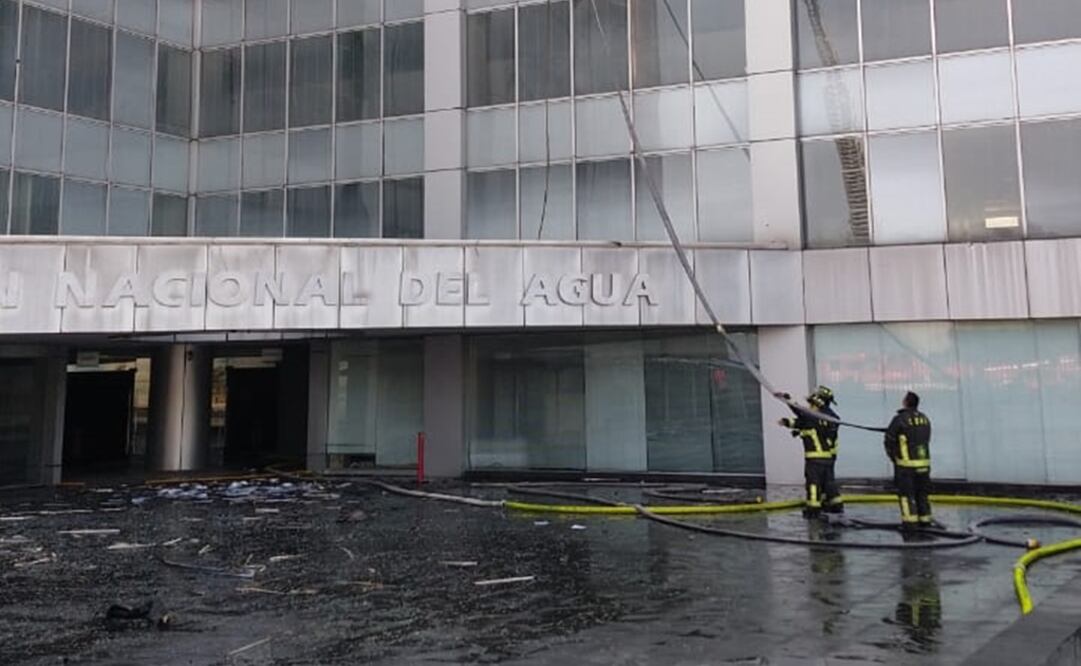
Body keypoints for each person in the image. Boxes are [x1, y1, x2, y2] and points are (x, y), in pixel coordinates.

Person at [776, 386, 843, 518]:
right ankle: (835, 506)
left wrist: (787, 399)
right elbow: (801, 422)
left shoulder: (815, 416)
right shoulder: (827, 418)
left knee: (813, 483)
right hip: (828, 458)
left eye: (811, 404)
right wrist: (786, 422)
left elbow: (801, 414)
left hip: (814, 459)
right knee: (829, 483)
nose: (809, 406)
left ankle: (813, 509)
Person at [884, 391, 933, 529]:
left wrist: (895, 458)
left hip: (906, 467)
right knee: (922, 494)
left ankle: (910, 524)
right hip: (924, 465)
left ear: (906, 402)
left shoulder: (899, 419)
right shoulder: (925, 418)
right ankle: (925, 521)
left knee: (906, 495)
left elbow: (889, 440)